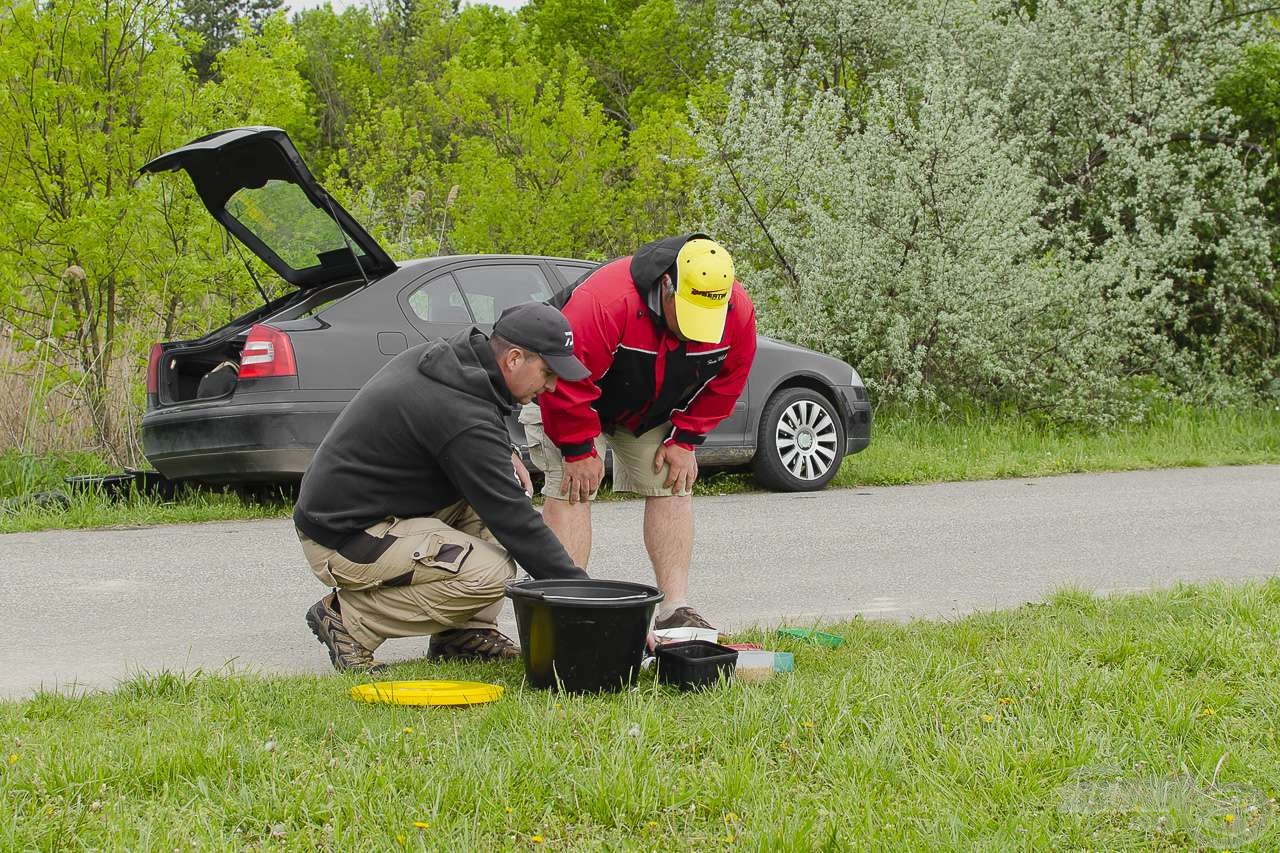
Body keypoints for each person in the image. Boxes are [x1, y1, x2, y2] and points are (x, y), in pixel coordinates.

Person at [294, 302, 590, 672]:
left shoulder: (458, 363)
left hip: (375, 511)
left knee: (502, 499)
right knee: (490, 573)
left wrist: (504, 450)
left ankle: (464, 633)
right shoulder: (460, 411)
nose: (552, 385)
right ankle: (349, 618)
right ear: (514, 358)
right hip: (345, 537)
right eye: (547, 372)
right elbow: (516, 523)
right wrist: (585, 595)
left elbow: (464, 438)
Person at [521, 233, 757, 631]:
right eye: (688, 314)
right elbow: (562, 382)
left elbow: (729, 379)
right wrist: (579, 450)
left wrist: (686, 440)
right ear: (668, 285)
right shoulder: (608, 301)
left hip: (644, 404)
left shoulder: (736, 310)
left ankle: (675, 609)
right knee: (573, 487)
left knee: (673, 480)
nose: (695, 330)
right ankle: (563, 608)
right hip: (571, 397)